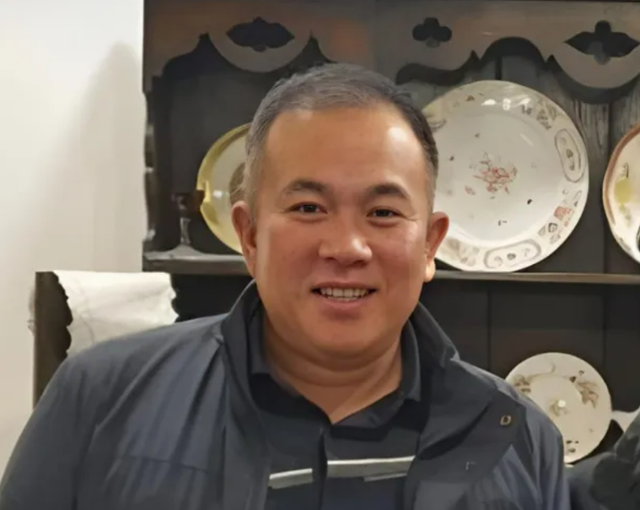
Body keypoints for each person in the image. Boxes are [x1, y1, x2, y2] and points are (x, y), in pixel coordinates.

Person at [0, 63, 571, 510]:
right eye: (308, 207)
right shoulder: (102, 400)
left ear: (430, 245)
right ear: (249, 236)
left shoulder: (518, 438)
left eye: (383, 213)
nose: (347, 247)